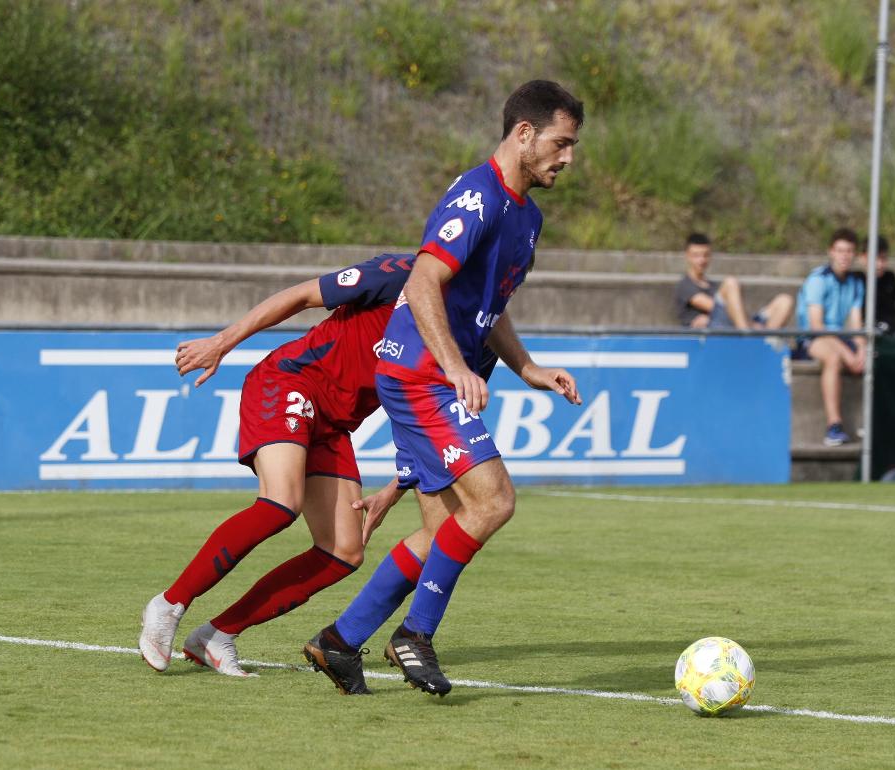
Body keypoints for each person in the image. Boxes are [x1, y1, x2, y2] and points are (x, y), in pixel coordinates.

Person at [302, 79, 585, 698]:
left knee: (442, 531)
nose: (568, 158)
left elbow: (491, 305)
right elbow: (426, 280)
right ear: (524, 134)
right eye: (561, 144)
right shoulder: (477, 198)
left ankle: (340, 641)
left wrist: (527, 367)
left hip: (436, 377)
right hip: (421, 376)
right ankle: (417, 634)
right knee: (494, 501)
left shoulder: (526, 217)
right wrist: (456, 367)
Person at [137, 252, 421, 677]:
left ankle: (217, 635)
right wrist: (222, 342)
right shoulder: (401, 273)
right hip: (291, 379)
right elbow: (304, 295)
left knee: (344, 551)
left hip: (334, 424)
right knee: (280, 503)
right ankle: (169, 603)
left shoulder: (470, 324)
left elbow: (430, 411)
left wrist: (395, 489)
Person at [795, 227, 866, 446]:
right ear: (831, 252)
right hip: (813, 338)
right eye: (840, 250)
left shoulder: (855, 283)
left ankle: (875, 425)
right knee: (834, 359)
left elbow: (856, 324)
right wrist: (847, 353)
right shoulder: (818, 279)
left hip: (839, 337)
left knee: (874, 359)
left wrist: (861, 350)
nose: (844, 256)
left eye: (849, 251)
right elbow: (816, 325)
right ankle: (834, 426)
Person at [675, 232, 794, 330]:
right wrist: (749, 324)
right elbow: (713, 307)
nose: (701, 260)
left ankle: (765, 342)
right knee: (731, 282)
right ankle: (747, 336)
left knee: (784, 301)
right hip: (714, 330)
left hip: (733, 324)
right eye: (696, 256)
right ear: (688, 256)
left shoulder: (714, 285)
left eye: (705, 255)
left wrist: (750, 321)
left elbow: (734, 309)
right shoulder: (685, 285)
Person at [852, 234, 895, 335]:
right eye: (876, 259)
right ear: (863, 258)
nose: (880, 264)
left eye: (884, 259)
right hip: (872, 335)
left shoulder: (890, 277)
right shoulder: (856, 280)